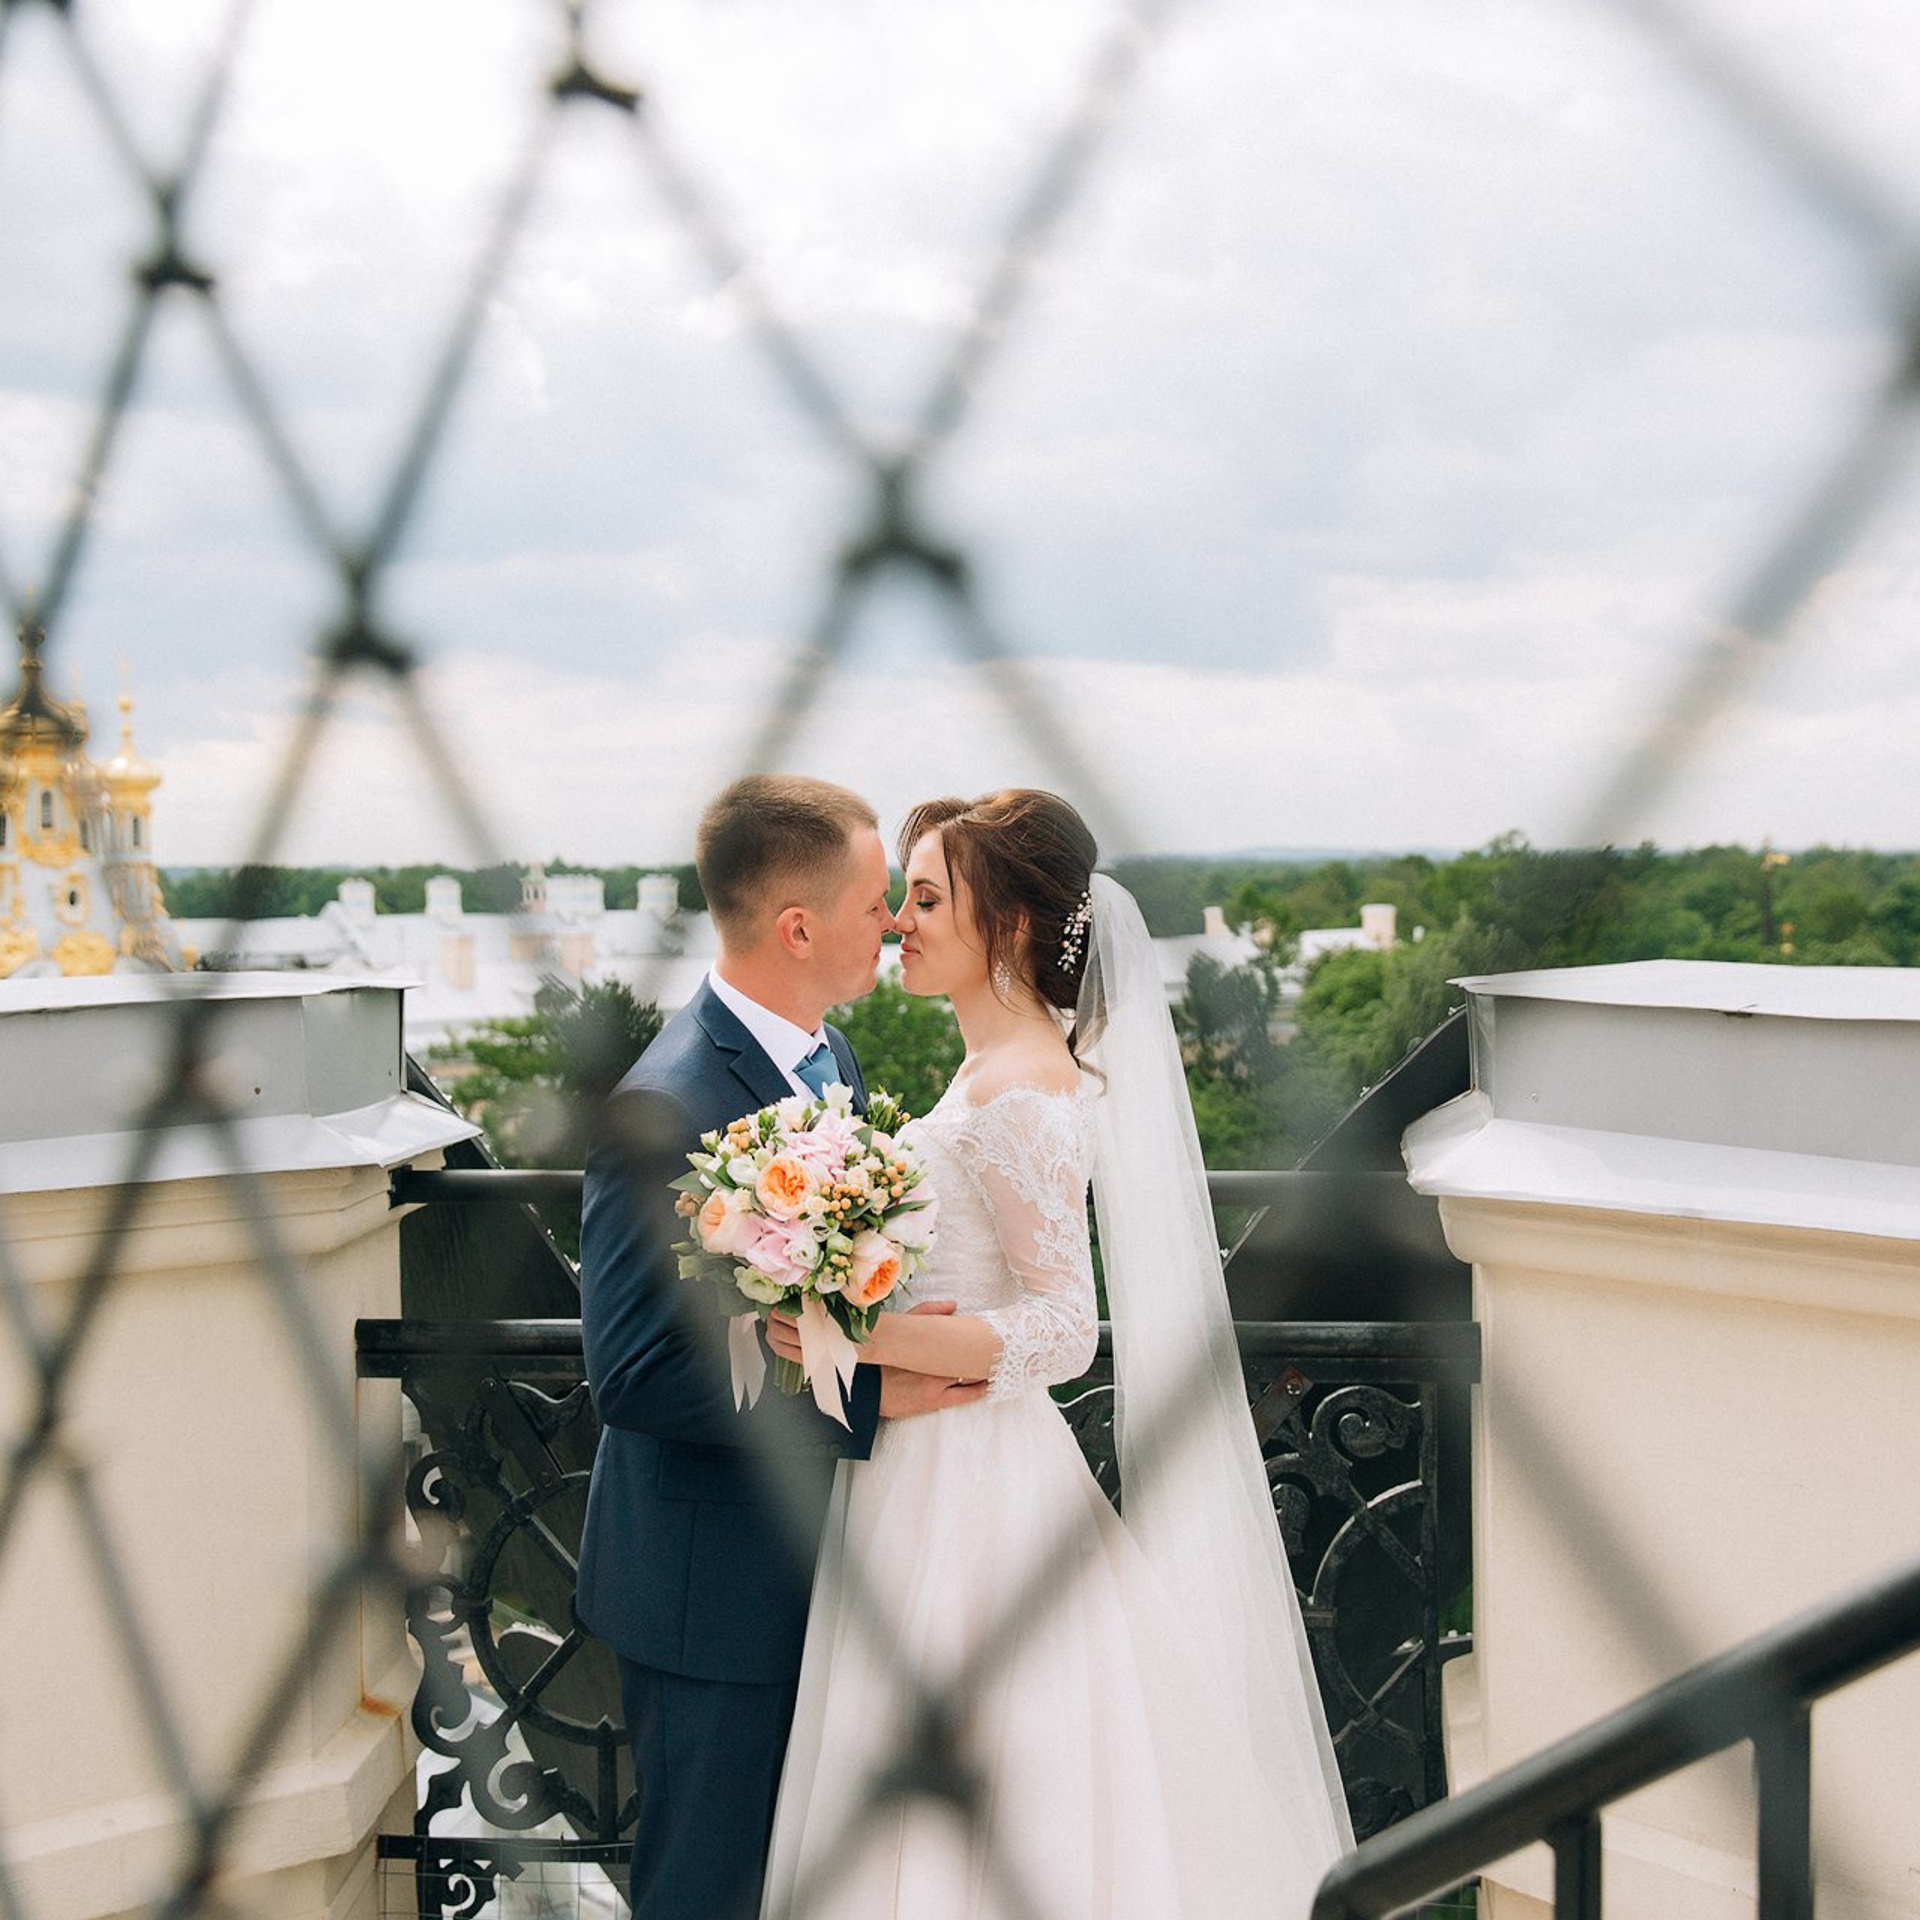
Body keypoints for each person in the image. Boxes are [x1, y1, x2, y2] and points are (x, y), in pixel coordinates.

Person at [759, 789, 1354, 1919]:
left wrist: (858, 1331)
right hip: (929, 1457)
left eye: (928, 898)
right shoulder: (988, 1071)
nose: (901, 921)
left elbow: (1065, 1325)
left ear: (1016, 926)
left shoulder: (1024, 1088)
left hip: (981, 1487)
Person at [576, 774, 987, 1920]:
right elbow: (636, 1375)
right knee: (708, 1890)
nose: (896, 923)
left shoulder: (832, 1061)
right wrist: (869, 1397)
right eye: (875, 903)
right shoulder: (662, 1104)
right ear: (799, 927)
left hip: (828, 1563)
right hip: (710, 1592)